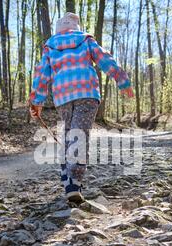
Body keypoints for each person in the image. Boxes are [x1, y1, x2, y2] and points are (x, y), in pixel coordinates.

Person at [29, 12, 134, 203]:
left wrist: (37, 101)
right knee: (80, 133)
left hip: (63, 96)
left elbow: (41, 74)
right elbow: (105, 59)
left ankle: (66, 168)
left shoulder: (50, 46)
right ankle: (74, 180)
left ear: (59, 30)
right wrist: (122, 80)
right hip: (87, 93)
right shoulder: (85, 40)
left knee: (71, 131)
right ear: (75, 28)